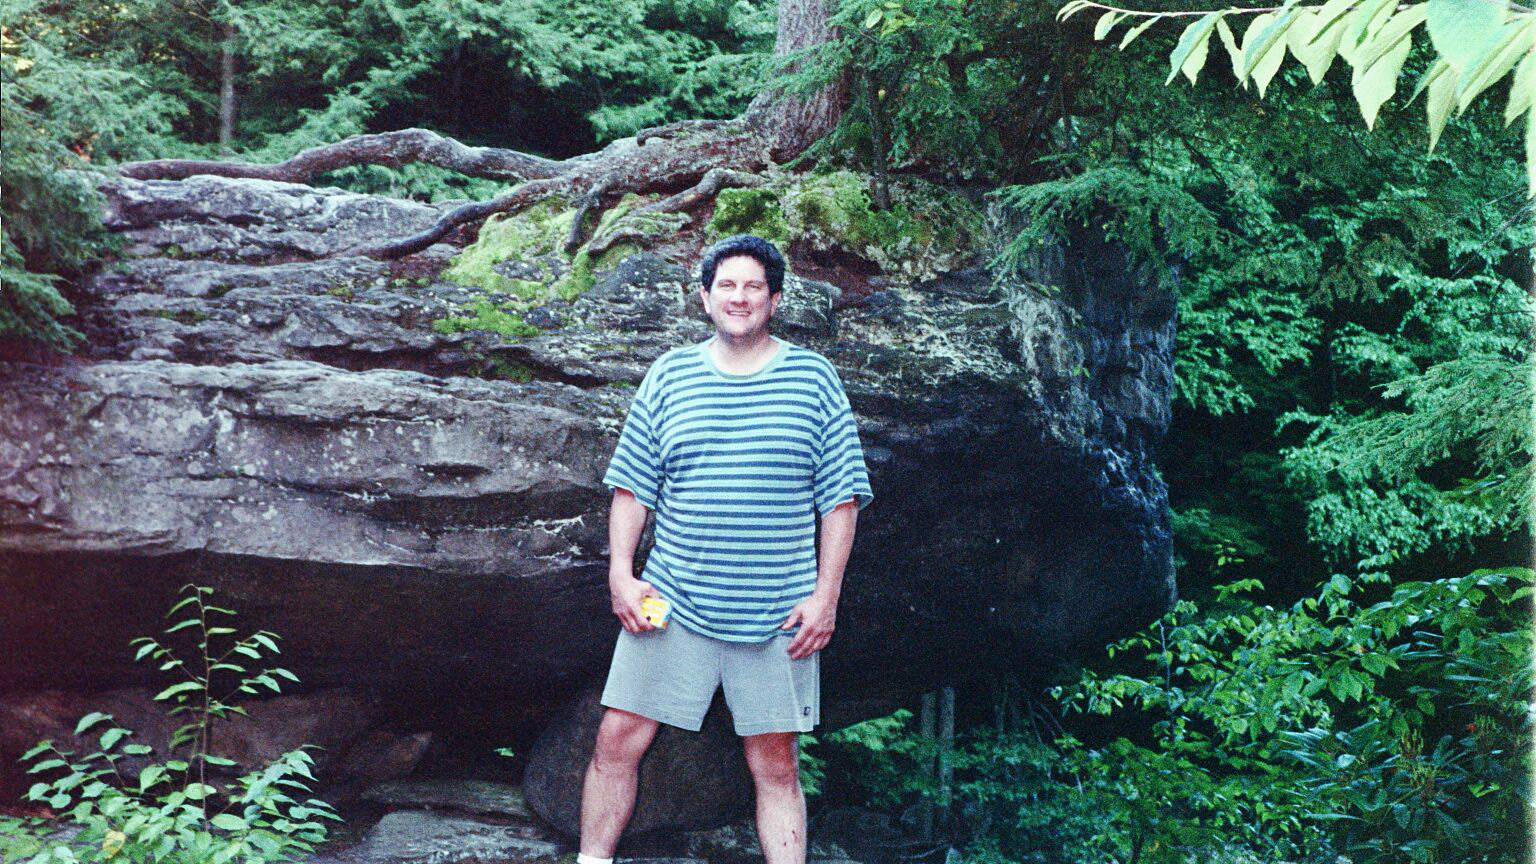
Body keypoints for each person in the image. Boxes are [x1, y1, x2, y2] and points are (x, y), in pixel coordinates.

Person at [576, 235, 873, 864]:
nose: (739, 298)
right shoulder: (670, 375)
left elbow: (841, 499)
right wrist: (621, 575)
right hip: (670, 601)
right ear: (705, 298)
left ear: (775, 300)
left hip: (778, 612)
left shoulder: (814, 380)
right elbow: (632, 487)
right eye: (727, 286)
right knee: (615, 740)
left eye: (753, 286)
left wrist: (826, 598)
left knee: (777, 763)